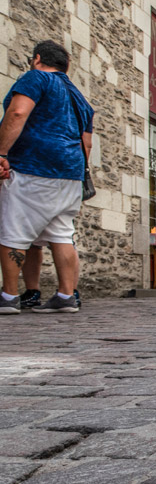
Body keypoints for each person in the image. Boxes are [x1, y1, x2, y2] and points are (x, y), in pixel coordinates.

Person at [0, 40, 93, 314]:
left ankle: (8, 296)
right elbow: (86, 144)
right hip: (71, 175)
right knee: (62, 234)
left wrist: (1, 151)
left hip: (34, 167)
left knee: (14, 232)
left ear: (37, 58)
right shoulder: (80, 99)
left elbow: (18, 112)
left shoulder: (36, 78)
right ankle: (66, 295)